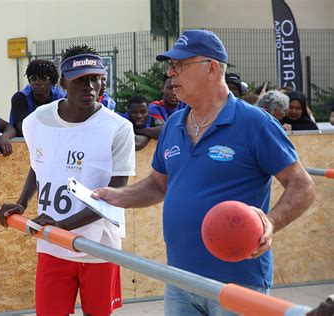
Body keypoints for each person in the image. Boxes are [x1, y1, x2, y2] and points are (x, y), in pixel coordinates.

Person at [93, 29, 315, 316]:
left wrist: (270, 222)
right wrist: (118, 196)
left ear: (211, 69)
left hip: (239, 282)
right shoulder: (173, 124)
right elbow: (159, 185)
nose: (171, 74)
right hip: (180, 278)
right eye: (170, 66)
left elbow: (303, 185)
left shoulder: (253, 123)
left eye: (179, 65)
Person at [0, 45, 135, 316]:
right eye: (80, 80)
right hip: (52, 244)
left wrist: (64, 225)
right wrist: (22, 203)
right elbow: (39, 166)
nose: (90, 86)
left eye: (95, 79)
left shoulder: (118, 128)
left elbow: (115, 196)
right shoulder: (37, 120)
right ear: (63, 82)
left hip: (99, 247)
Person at [9, 60, 66, 136]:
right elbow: (23, 129)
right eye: (33, 78)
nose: (37, 82)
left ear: (52, 82)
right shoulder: (20, 98)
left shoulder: (61, 98)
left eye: (43, 79)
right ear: (29, 81)